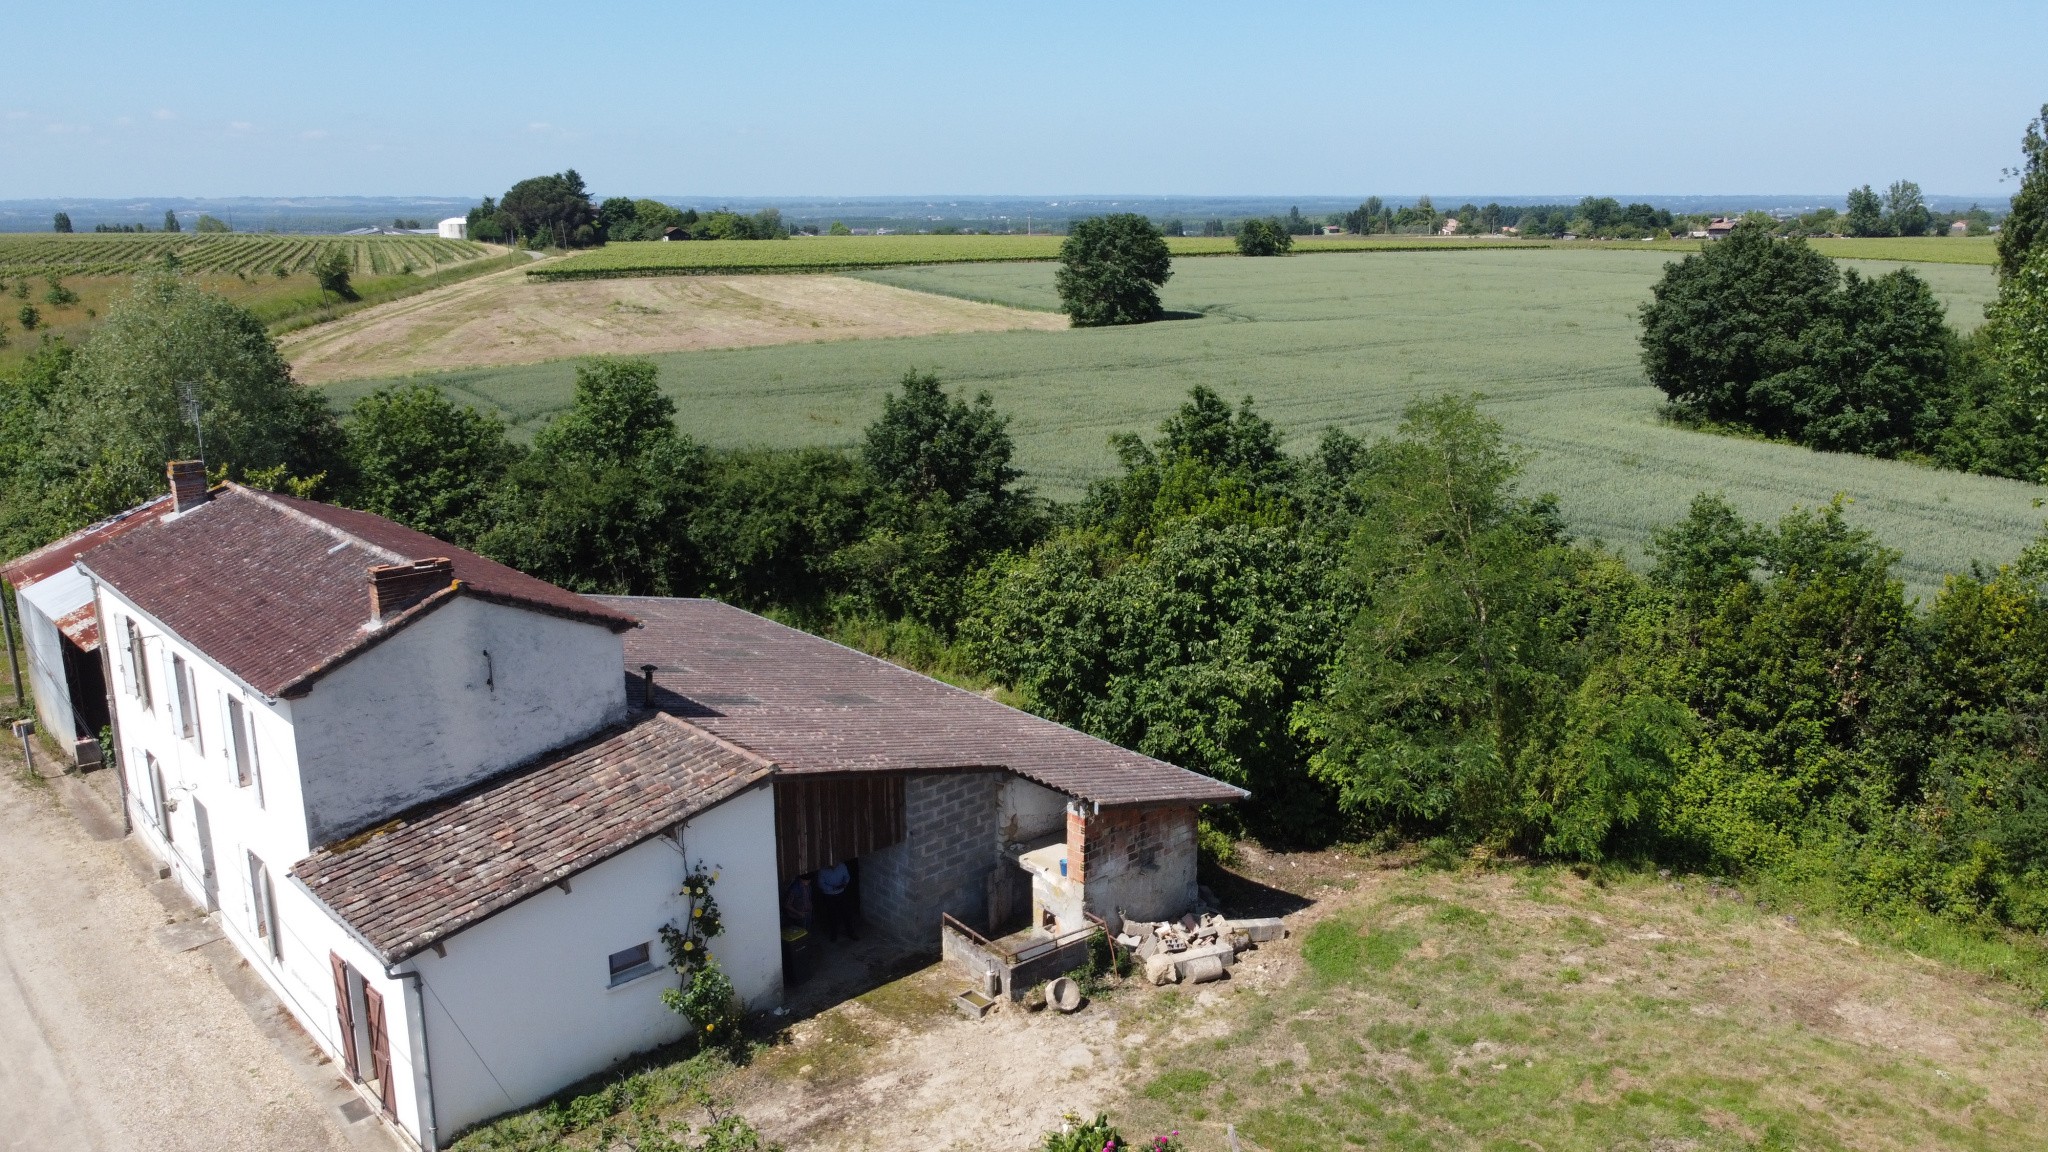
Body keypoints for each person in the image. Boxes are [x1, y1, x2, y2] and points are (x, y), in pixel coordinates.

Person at [816, 860, 857, 941]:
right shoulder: (822, 870)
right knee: (832, 915)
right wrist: (833, 888)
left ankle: (851, 933)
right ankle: (834, 934)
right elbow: (821, 884)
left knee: (846, 914)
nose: (833, 865)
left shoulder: (842, 866)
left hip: (841, 893)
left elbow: (847, 876)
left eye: (835, 863)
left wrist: (845, 883)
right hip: (829, 896)